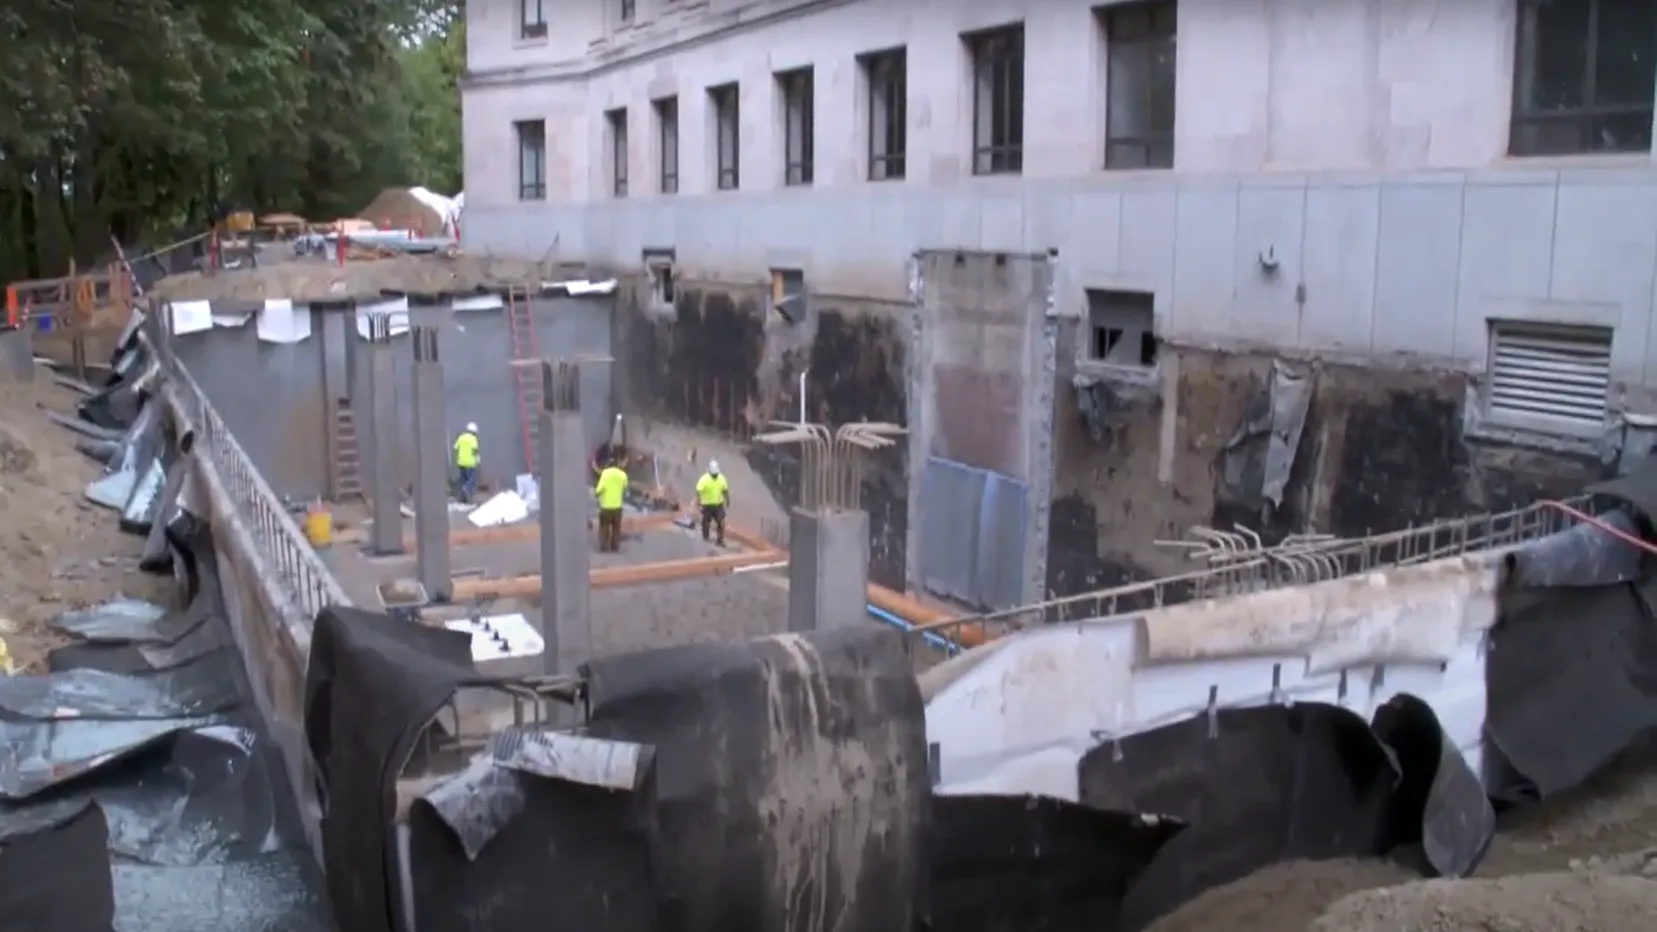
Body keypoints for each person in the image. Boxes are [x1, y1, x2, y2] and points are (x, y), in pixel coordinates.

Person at [594, 456, 629, 553]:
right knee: (616, 528)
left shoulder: (605, 474)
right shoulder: (622, 475)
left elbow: (599, 489)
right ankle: (615, 547)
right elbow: (625, 486)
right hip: (617, 507)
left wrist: (597, 494)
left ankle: (604, 547)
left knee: (604, 527)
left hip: (606, 507)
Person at [695, 460, 730, 546]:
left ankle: (720, 540)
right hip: (707, 505)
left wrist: (727, 499)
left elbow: (725, 490)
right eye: (714, 474)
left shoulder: (721, 478)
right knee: (706, 522)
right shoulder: (704, 479)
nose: (715, 475)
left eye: (716, 473)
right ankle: (706, 535)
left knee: (721, 522)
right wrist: (699, 500)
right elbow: (698, 490)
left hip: (718, 504)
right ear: (710, 471)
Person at [452, 422, 480, 503]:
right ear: (474, 432)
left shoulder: (461, 437)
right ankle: (466, 489)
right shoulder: (473, 439)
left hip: (461, 463)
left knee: (463, 480)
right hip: (470, 463)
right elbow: (475, 450)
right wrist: (477, 460)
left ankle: (462, 499)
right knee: (472, 479)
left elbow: (455, 448)